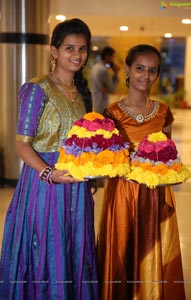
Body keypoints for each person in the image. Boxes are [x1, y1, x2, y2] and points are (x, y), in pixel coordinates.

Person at [0, 18, 99, 300]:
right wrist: (49, 174)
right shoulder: (37, 88)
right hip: (45, 187)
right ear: (54, 51)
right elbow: (22, 145)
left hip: (76, 187)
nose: (77, 55)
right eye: (69, 48)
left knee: (74, 246)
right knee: (46, 246)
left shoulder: (81, 94)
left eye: (82, 49)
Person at [97, 44, 186, 300]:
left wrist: (167, 171)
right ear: (127, 69)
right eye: (139, 69)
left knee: (153, 246)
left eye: (152, 70)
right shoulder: (111, 114)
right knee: (123, 250)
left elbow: (169, 153)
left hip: (156, 193)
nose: (145, 76)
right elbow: (109, 160)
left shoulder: (163, 112)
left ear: (157, 74)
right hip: (123, 192)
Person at [90, 46, 120, 114]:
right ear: (107, 56)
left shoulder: (95, 67)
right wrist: (116, 73)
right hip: (102, 104)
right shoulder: (103, 70)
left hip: (95, 102)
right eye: (112, 57)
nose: (113, 59)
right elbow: (112, 89)